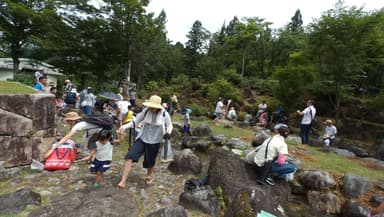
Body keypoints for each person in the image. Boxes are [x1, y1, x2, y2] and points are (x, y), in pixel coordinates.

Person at [117, 95, 173, 188]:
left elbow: (170, 125)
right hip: (142, 138)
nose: (151, 108)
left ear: (158, 107)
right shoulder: (146, 111)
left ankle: (149, 176)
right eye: (150, 106)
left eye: (153, 107)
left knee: (150, 161)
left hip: (155, 141)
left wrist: (168, 132)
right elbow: (135, 122)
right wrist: (123, 127)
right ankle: (123, 181)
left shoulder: (164, 114)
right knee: (129, 156)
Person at [48, 112, 118, 154]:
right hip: (102, 128)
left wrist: (54, 147)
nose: (67, 122)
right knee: (91, 143)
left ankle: (94, 159)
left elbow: (67, 137)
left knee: (91, 145)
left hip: (103, 130)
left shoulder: (78, 125)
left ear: (71, 120)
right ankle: (94, 157)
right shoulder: (82, 120)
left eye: (68, 121)